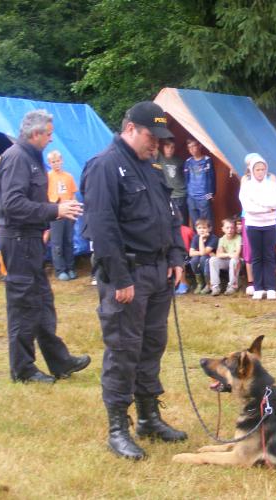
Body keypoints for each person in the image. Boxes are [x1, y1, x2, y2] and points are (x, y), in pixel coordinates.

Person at [80, 101, 187, 461]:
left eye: (160, 138)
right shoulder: (104, 167)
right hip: (128, 274)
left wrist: (175, 256)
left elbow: (171, 215)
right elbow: (102, 227)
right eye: (150, 136)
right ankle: (117, 428)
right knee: (124, 350)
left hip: (158, 272)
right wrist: (119, 277)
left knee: (151, 346)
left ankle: (148, 417)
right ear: (129, 129)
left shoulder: (152, 169)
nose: (155, 143)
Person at [0, 109, 90, 385]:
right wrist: (54, 210)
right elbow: (13, 205)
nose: (51, 138)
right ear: (35, 134)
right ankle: (23, 370)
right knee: (23, 305)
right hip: (18, 241)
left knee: (43, 303)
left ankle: (59, 362)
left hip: (31, 240)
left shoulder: (30, 158)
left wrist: (51, 214)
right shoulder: (16, 159)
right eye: (48, 133)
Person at [239, 152, 276, 300]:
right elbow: (248, 207)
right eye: (257, 169)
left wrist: (259, 204)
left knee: (269, 256)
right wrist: (266, 207)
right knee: (256, 256)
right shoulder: (246, 186)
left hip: (269, 224)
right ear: (252, 170)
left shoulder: (271, 185)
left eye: (262, 169)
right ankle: (258, 288)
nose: (260, 172)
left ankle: (270, 288)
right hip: (253, 225)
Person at [47, 150, 78, 281]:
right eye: (53, 162)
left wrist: (74, 207)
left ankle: (70, 267)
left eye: (58, 161)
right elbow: (47, 196)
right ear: (49, 163)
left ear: (62, 161)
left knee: (69, 241)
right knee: (57, 243)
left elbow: (73, 194)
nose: (56, 164)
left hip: (69, 214)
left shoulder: (68, 177)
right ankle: (60, 269)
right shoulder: (48, 177)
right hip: (56, 214)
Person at [156, 138, 188, 225]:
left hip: (181, 195)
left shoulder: (179, 160)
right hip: (168, 195)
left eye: (172, 147)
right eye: (167, 147)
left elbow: (186, 175)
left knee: (183, 220)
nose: (169, 150)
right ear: (163, 147)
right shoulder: (160, 158)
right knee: (170, 219)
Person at [184, 138, 215, 228]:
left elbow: (212, 178)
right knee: (195, 224)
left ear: (199, 146)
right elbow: (186, 178)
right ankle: (197, 241)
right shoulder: (188, 162)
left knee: (207, 224)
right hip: (191, 197)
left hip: (204, 197)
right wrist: (188, 194)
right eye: (189, 147)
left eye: (194, 146)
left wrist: (210, 195)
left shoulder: (207, 160)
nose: (192, 149)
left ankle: (210, 242)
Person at [209, 218, 242, 295]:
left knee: (234, 260)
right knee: (213, 260)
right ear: (223, 229)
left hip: (238, 262)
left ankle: (232, 286)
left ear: (235, 229)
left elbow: (236, 255)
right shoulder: (222, 239)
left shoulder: (238, 238)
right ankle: (215, 286)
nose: (230, 230)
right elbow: (218, 254)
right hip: (226, 261)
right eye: (227, 228)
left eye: (232, 228)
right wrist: (229, 254)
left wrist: (225, 254)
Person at [189, 218, 218, 294]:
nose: (201, 230)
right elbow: (191, 253)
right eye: (199, 228)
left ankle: (208, 283)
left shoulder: (213, 238)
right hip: (203, 256)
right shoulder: (196, 237)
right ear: (196, 229)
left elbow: (204, 253)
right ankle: (200, 283)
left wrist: (201, 239)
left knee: (203, 258)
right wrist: (200, 252)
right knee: (194, 260)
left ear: (210, 228)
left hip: (212, 259)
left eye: (204, 228)